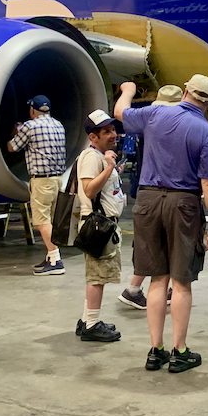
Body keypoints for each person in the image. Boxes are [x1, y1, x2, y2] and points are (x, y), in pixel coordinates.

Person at [114, 75, 208, 373]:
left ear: (186, 91)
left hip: (147, 201)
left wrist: (128, 90)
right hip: (183, 203)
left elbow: (121, 113)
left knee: (157, 279)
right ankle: (179, 350)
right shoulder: (207, 131)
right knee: (182, 281)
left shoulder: (155, 112)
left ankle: (155, 349)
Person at [117, 85, 184, 310]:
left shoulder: (149, 119)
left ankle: (135, 288)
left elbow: (120, 113)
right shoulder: (183, 123)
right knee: (169, 244)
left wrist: (128, 91)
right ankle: (154, 288)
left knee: (151, 244)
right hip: (171, 193)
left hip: (147, 191)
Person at [75, 111, 126, 343]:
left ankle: (88, 319)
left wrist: (112, 170)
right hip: (98, 227)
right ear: (93, 137)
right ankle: (92, 325)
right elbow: (89, 189)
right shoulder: (92, 157)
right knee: (96, 277)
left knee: (99, 275)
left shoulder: (101, 156)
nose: (113, 134)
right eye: (106, 132)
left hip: (105, 225)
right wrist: (108, 169)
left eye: (113, 129)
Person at [6, 94, 69, 276]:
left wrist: (14, 133)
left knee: (41, 222)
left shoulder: (29, 126)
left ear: (33, 110)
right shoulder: (58, 125)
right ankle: (50, 256)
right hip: (58, 179)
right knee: (50, 220)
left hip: (42, 180)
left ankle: (56, 258)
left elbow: (13, 148)